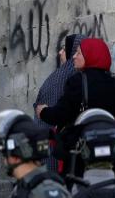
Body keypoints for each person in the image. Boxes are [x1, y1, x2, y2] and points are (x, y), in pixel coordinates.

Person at [36, 38, 115, 174]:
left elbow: (59, 115)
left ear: (90, 56)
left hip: (82, 160)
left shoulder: (77, 81)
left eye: (78, 53)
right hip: (110, 161)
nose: (74, 57)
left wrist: (43, 111)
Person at [33, 34, 84, 172]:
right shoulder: (71, 74)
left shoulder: (64, 75)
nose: (60, 52)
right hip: (55, 144)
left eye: (65, 49)